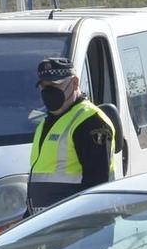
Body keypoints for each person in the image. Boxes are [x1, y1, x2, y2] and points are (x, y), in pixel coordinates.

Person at [27, 56, 117, 212]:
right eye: (44, 86)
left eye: (55, 84)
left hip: (80, 224)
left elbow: (96, 184)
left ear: (75, 83)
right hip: (47, 224)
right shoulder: (46, 122)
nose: (49, 91)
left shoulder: (91, 122)